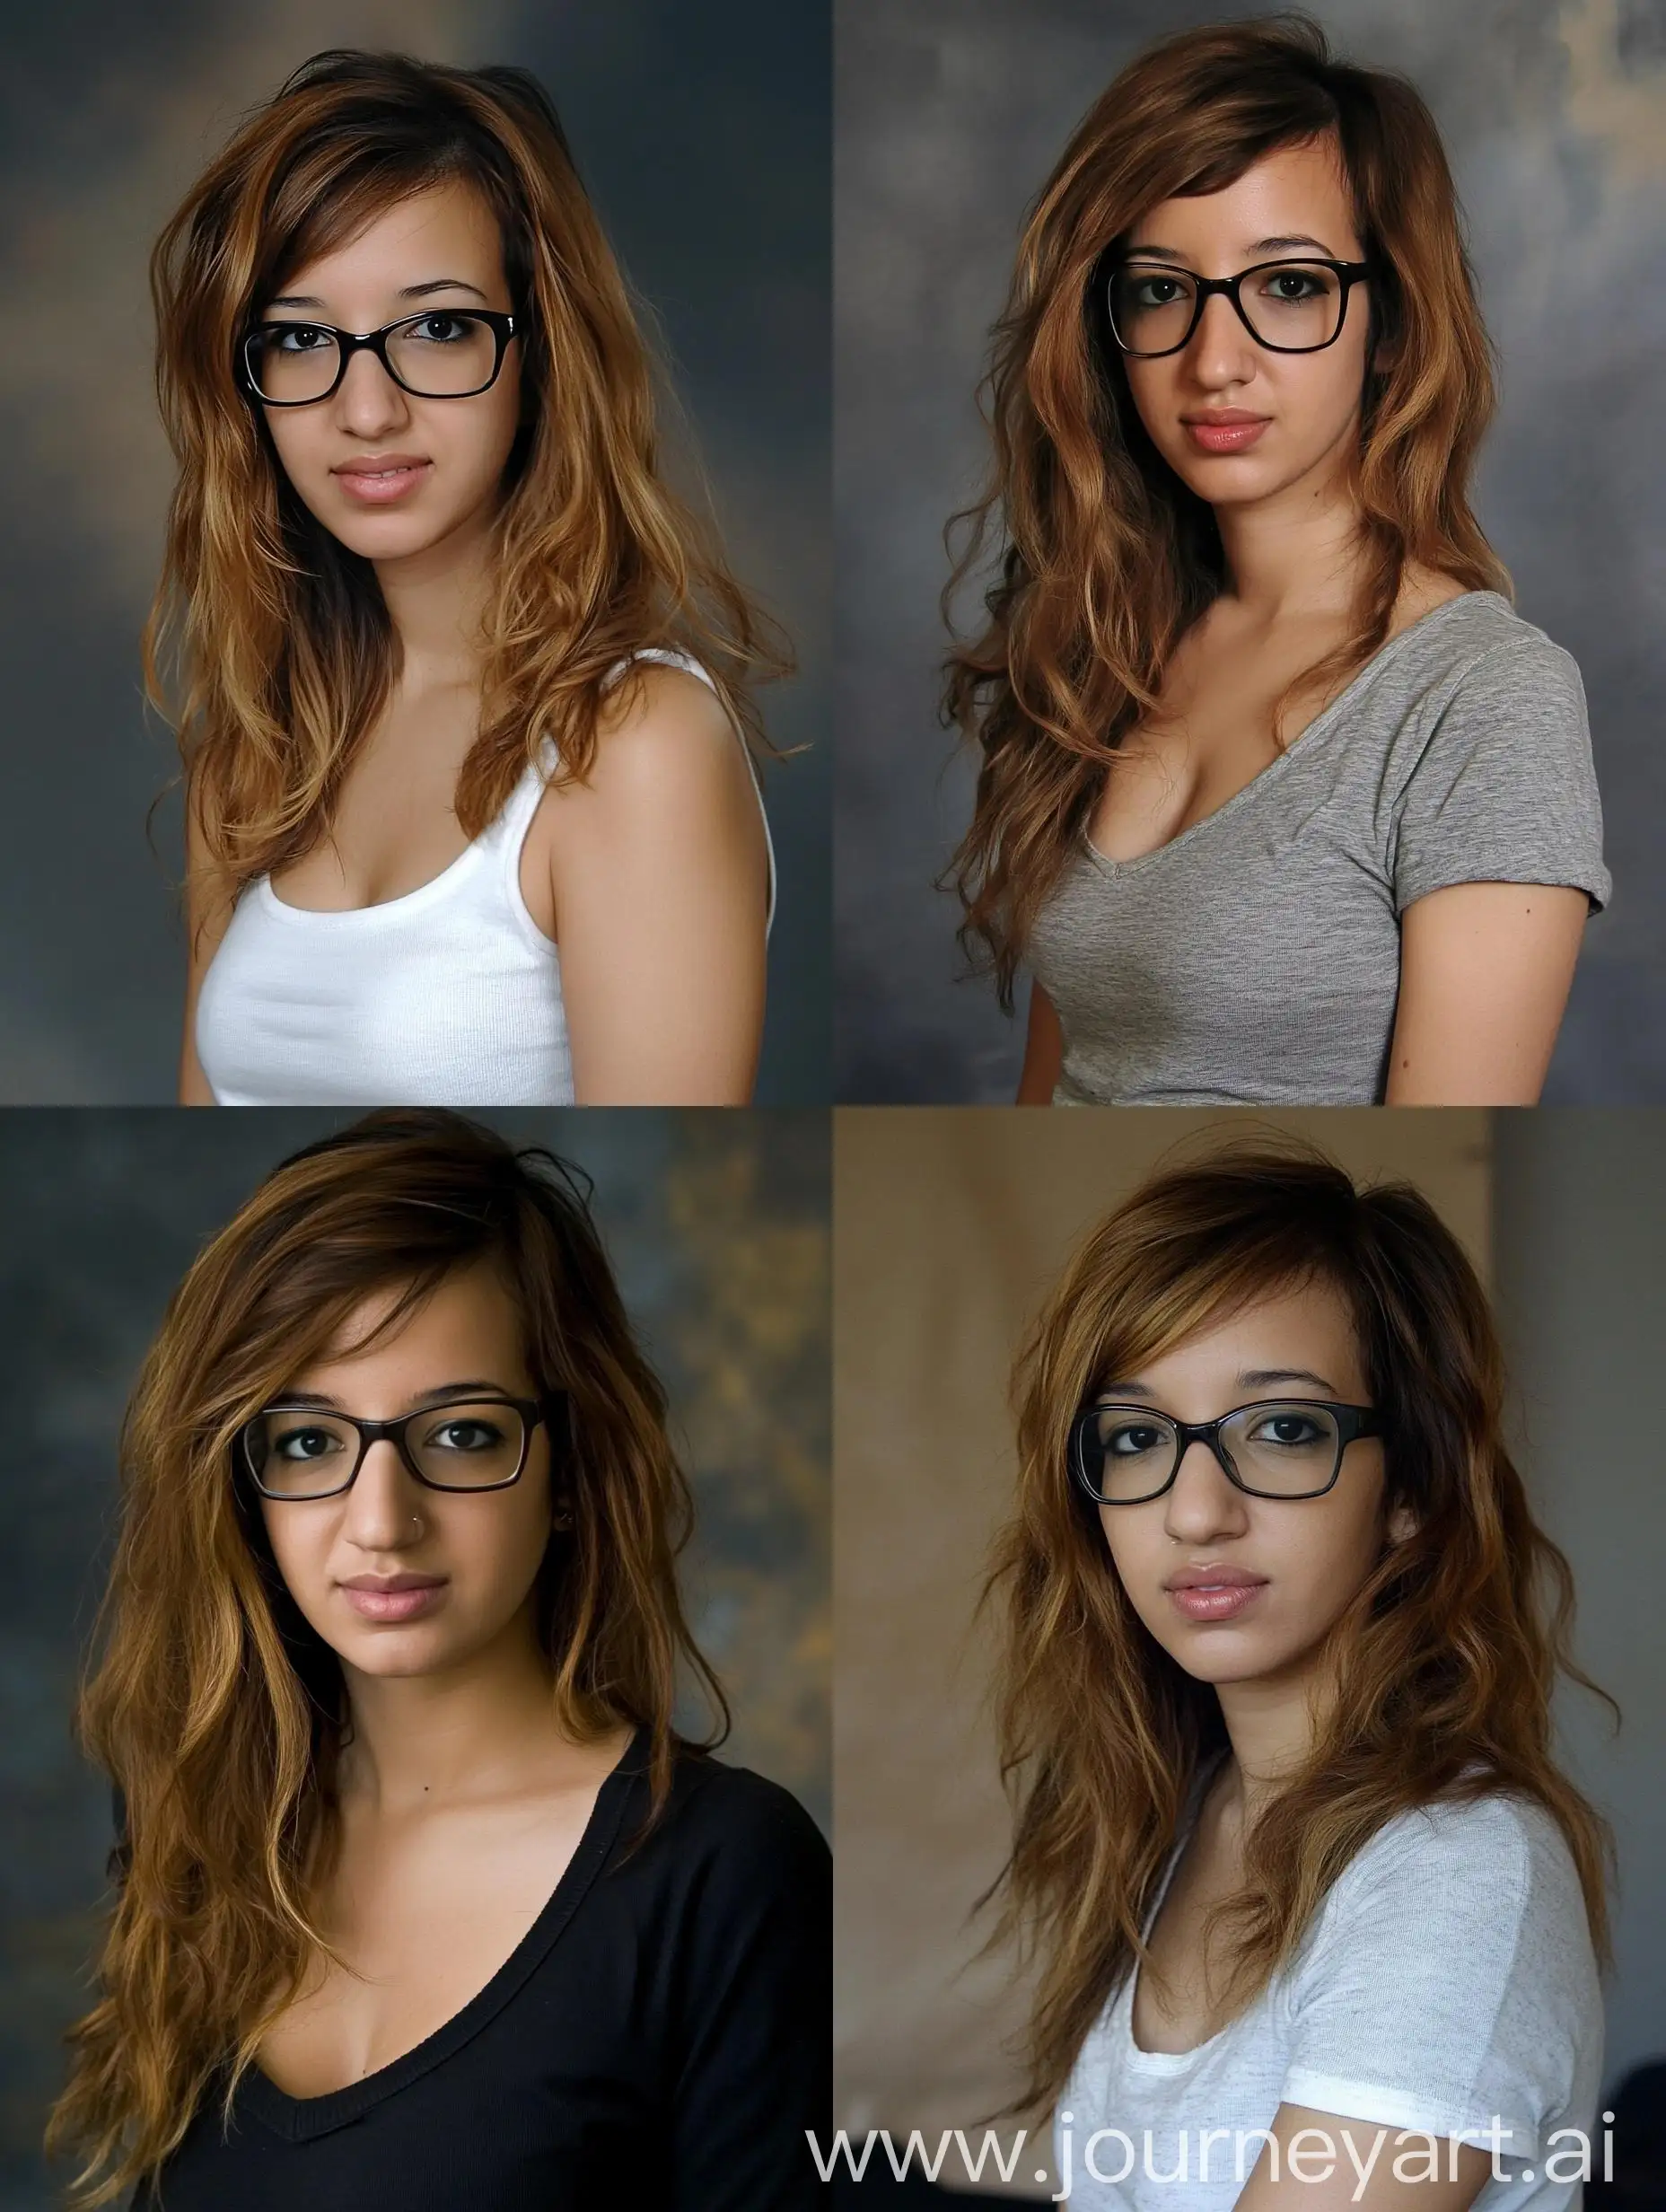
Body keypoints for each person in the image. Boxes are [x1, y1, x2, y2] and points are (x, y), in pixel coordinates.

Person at [46, 1110, 829, 2209]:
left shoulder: (721, 1873)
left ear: (568, 1466)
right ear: (242, 1479)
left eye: (460, 1432)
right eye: (309, 1440)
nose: (380, 1520)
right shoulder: (210, 1827)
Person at [943, 15, 1608, 1106]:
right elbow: (1057, 1100)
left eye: (1287, 285)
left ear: (1386, 320)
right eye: (1159, 287)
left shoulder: (1484, 700)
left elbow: (1431, 1149)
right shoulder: (1112, 639)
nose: (1213, 361)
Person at [983, 1140, 1614, 2209]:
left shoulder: (1453, 1868)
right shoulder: (1189, 1808)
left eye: (1281, 1428)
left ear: (1408, 1489)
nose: (1193, 1511)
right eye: (1135, 1437)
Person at [150, 51, 782, 1106]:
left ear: (539, 352)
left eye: (437, 327)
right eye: (302, 339)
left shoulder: (630, 742)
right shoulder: (256, 755)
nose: (365, 410)